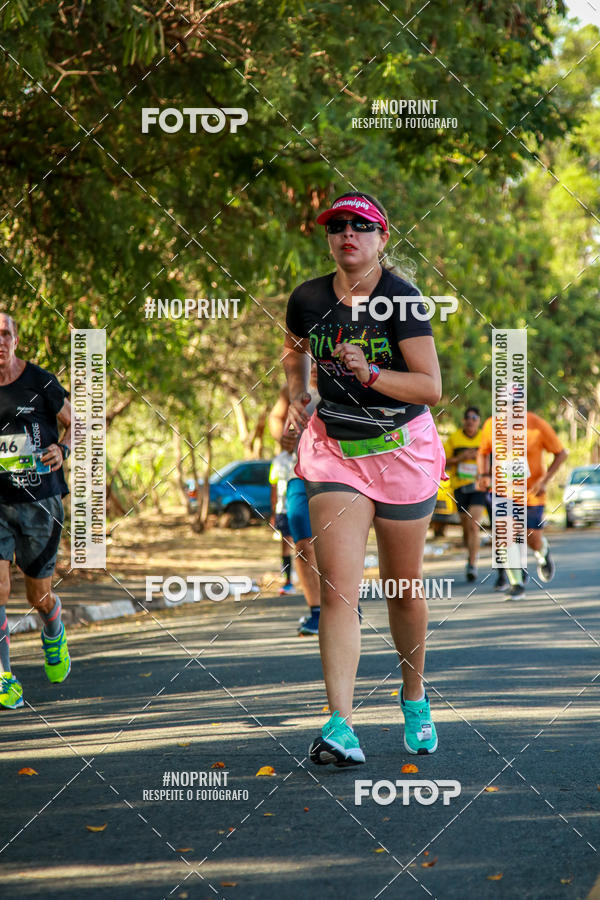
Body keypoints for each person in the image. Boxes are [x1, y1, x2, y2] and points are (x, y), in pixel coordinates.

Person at [282, 191, 446, 763]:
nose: (347, 234)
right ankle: (340, 725)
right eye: (337, 226)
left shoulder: (402, 298)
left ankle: (414, 696)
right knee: (337, 589)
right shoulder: (307, 298)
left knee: (403, 589)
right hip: (335, 452)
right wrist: (298, 394)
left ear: (382, 237)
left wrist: (372, 373)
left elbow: (430, 388)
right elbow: (294, 350)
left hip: (402, 451)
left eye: (361, 225)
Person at [0, 312, 72, 709]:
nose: (0, 341)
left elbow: (77, 423)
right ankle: (4, 677)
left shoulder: (39, 380)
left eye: (5, 334)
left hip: (39, 503)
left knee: (37, 595)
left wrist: (63, 449)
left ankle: (53, 624)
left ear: (15, 339)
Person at [477, 410, 568, 599]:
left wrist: (544, 481)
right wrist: (484, 474)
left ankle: (542, 550)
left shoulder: (536, 425)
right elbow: (483, 452)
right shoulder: (491, 424)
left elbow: (561, 453)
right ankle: (516, 583)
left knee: (532, 539)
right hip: (502, 491)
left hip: (531, 493)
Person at [269, 374, 321, 635]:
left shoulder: (346, 380)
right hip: (297, 473)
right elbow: (275, 417)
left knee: (335, 542)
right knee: (302, 544)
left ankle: (346, 603)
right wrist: (282, 437)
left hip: (339, 475)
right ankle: (317, 613)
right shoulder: (292, 390)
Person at [444, 406, 488, 582]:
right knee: (466, 527)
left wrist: (479, 457)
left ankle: (472, 563)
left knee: (473, 525)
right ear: (463, 420)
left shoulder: (485, 438)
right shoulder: (454, 439)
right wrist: (460, 458)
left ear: (479, 421)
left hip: (478, 487)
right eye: (468, 418)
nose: (471, 421)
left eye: (474, 418)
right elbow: (443, 461)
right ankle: (471, 551)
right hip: (460, 487)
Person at [269, 449, 296, 595]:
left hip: (300, 508)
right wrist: (273, 512)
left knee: (305, 546)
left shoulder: (303, 454)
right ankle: (288, 581)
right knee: (286, 545)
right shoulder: (277, 461)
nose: (288, 442)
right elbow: (273, 487)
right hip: (283, 510)